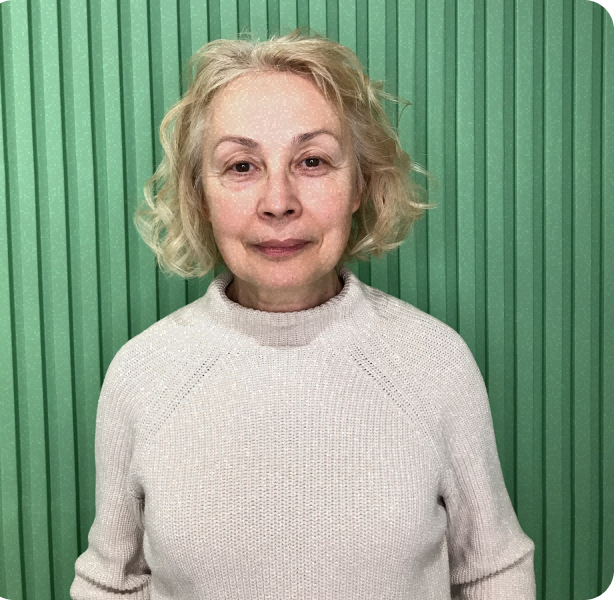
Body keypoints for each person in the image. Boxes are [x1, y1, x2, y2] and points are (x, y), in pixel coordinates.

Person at [70, 27, 536, 599]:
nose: (278, 202)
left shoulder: (434, 363)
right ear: (200, 195)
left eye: (312, 161)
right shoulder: (143, 374)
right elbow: (111, 582)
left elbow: (492, 570)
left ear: (360, 184)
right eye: (242, 166)